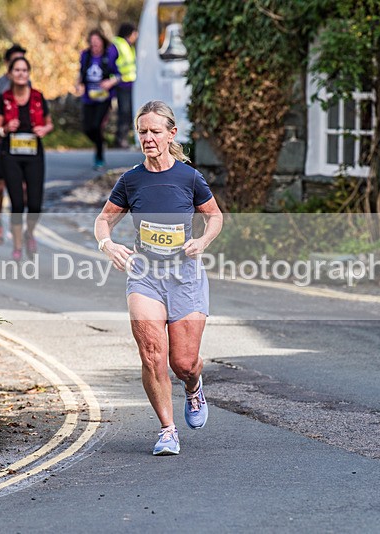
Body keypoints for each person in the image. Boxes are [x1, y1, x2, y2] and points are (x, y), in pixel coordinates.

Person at [94, 100, 223, 456]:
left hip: (185, 275)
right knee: (152, 354)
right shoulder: (131, 180)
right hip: (145, 275)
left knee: (183, 362)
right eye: (142, 132)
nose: (148, 138)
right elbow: (104, 220)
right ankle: (167, 429)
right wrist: (108, 245)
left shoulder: (189, 177)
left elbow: (215, 216)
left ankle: (194, 386)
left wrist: (202, 240)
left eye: (154, 132)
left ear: (171, 134)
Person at [0, 57, 54, 261]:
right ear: (10, 74)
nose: (21, 74)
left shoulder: (37, 97)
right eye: (17, 70)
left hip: (34, 154)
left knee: (35, 203)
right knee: (17, 203)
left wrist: (44, 129)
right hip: (11, 156)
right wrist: (4, 129)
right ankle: (18, 245)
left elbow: (49, 123)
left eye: (24, 70)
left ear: (28, 74)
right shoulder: (4, 98)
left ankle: (30, 233)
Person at [0, 44, 27, 245]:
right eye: (14, 62)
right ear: (7, 64)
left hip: (23, 144)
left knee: (22, 189)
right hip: (1, 142)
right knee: (0, 187)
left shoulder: (28, 85)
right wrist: (2, 122)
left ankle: (15, 223)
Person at [77, 29, 117, 170]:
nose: (94, 45)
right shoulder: (85, 55)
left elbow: (118, 75)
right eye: (92, 43)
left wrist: (109, 83)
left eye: (97, 42)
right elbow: (81, 72)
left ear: (102, 42)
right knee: (87, 129)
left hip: (104, 98)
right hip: (89, 97)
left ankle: (99, 156)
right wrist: (78, 85)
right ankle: (100, 143)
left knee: (96, 126)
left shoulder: (110, 55)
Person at [108, 23, 138, 149]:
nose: (136, 36)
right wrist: (116, 77)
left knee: (128, 112)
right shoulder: (119, 45)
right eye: (135, 33)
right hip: (122, 84)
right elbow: (110, 62)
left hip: (130, 84)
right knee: (124, 112)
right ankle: (120, 139)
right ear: (129, 33)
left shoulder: (128, 46)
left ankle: (122, 138)